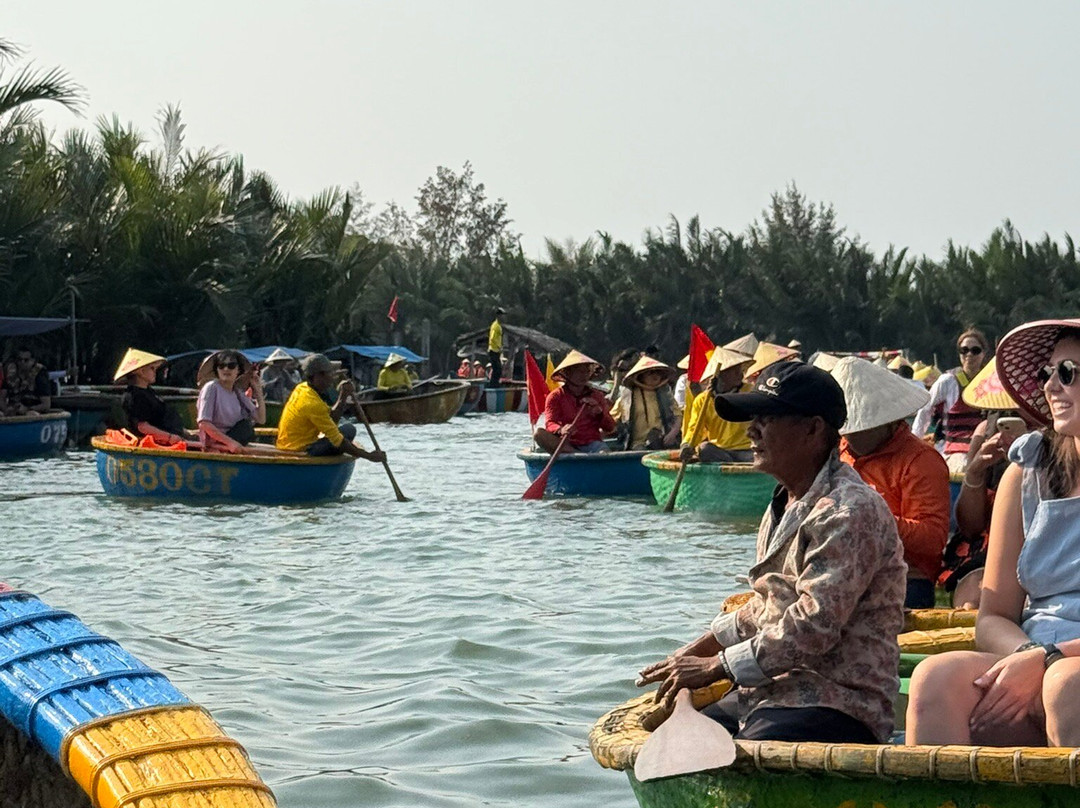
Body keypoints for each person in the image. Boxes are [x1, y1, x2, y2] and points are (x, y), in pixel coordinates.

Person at [637, 361, 906, 743]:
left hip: (840, 700)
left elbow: (813, 626)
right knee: (676, 735)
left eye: (768, 418)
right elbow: (771, 603)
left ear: (813, 429)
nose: (751, 431)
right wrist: (702, 646)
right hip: (774, 691)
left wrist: (717, 666)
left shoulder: (849, 510)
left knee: (742, 754)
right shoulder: (785, 501)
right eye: (753, 419)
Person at [907, 318, 1080, 747]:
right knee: (935, 678)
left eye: (1068, 373)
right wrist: (1026, 656)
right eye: (1046, 375)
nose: (1051, 387)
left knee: (1065, 685)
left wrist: (1050, 659)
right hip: (1031, 654)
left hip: (1063, 667)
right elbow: (994, 616)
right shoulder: (1026, 473)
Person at [832, 357, 950, 608]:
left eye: (860, 426)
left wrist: (870, 516)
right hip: (839, 573)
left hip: (903, 579)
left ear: (886, 421)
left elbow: (932, 540)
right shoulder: (837, 451)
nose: (849, 434)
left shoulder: (920, 461)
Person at [277, 353, 386, 462]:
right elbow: (338, 441)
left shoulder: (302, 387)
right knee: (347, 432)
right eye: (330, 373)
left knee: (349, 429)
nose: (333, 378)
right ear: (319, 376)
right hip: (301, 449)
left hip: (290, 443)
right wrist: (368, 456)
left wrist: (343, 396)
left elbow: (332, 420)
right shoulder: (311, 403)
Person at [912, 328, 991, 472]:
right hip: (954, 451)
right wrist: (914, 443)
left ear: (983, 353)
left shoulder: (990, 381)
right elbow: (925, 410)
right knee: (963, 466)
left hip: (984, 446)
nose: (969, 355)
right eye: (964, 350)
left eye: (975, 350)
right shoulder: (947, 381)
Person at [679, 348, 755, 463]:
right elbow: (695, 429)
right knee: (704, 448)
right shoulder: (703, 400)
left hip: (748, 450)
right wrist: (687, 446)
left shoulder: (750, 392)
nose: (739, 373)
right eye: (733, 370)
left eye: (739, 369)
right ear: (719, 375)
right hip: (721, 452)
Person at [533, 350, 616, 454]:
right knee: (538, 434)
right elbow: (550, 423)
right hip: (566, 443)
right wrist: (561, 429)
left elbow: (610, 427)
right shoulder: (555, 396)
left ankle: (584, 457)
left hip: (592, 443)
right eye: (579, 371)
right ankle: (576, 455)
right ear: (567, 373)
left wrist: (599, 412)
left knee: (604, 453)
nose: (584, 375)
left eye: (586, 371)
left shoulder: (597, 396)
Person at [113, 348, 190, 443]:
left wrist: (184, 432)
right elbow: (142, 427)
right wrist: (170, 437)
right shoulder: (135, 396)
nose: (155, 372)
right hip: (157, 442)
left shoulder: (148, 391)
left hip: (172, 436)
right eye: (152, 368)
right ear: (141, 372)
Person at [196, 350, 266, 452]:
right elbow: (204, 423)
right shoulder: (211, 388)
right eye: (221, 366)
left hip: (236, 443)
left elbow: (261, 419)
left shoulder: (238, 392)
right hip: (216, 447)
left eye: (231, 365)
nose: (226, 369)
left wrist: (258, 392)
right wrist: (230, 443)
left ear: (238, 370)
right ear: (217, 369)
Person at [610, 356, 681, 450]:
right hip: (637, 444)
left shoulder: (666, 395)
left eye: (658, 372)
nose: (655, 375)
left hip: (663, 442)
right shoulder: (627, 398)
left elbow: (678, 416)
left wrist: (672, 434)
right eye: (650, 373)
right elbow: (611, 421)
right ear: (640, 375)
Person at [2, 347, 51, 415]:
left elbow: (46, 405)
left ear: (33, 360)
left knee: (32, 414)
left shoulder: (40, 374)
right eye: (19, 360)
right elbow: (1, 396)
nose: (22, 363)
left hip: (34, 410)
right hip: (13, 410)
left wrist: (27, 409)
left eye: (26, 360)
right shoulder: (11, 373)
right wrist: (5, 409)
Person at [488, 307, 505, 386]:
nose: (503, 317)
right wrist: (499, 347)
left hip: (496, 351)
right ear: (498, 316)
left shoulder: (498, 325)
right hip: (494, 350)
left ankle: (495, 383)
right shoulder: (496, 326)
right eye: (502, 315)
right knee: (497, 369)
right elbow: (492, 338)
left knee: (498, 369)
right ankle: (493, 384)